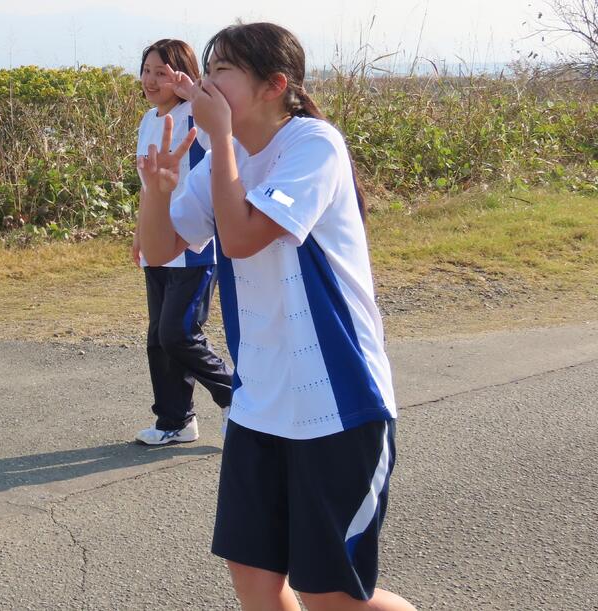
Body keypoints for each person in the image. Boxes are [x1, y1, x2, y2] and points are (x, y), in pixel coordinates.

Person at [137, 22, 416, 611]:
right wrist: (157, 191)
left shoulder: (313, 146)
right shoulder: (226, 156)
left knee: (329, 596)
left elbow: (240, 239)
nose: (206, 83)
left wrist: (217, 142)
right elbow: (158, 251)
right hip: (259, 401)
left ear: (275, 85)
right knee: (254, 578)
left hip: (337, 402)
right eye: (208, 69)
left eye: (222, 71)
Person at [132, 39, 233, 446]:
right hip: (157, 242)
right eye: (147, 70)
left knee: (178, 333)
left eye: (162, 73)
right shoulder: (147, 120)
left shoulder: (196, 116)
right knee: (159, 338)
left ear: (182, 75)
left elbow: (225, 143)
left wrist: (194, 94)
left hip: (194, 245)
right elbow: (148, 185)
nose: (151, 80)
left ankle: (235, 397)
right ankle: (174, 421)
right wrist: (140, 233)